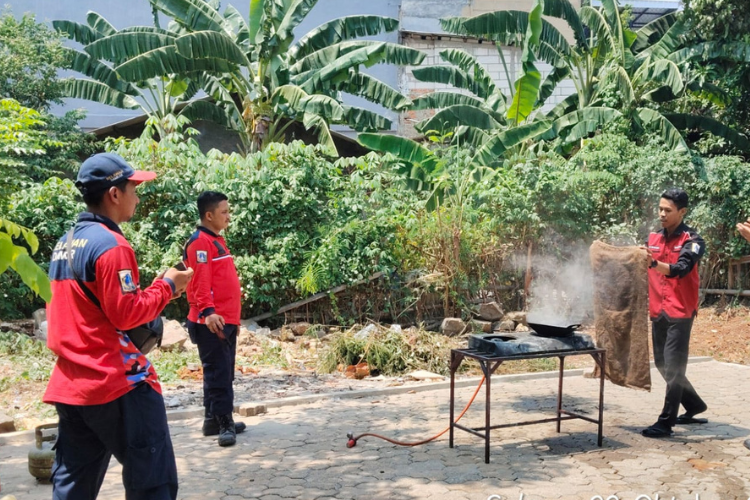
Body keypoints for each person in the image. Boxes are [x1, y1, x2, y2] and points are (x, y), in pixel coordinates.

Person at [44, 152, 194, 499]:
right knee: (153, 481)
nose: (137, 197)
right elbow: (126, 315)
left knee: (72, 486)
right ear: (114, 194)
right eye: (133, 188)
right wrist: (169, 285)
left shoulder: (64, 244)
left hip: (72, 385)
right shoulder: (112, 246)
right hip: (117, 384)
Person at [642, 188, 707, 438]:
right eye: (660, 209)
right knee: (661, 364)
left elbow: (681, 268)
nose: (661, 214)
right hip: (658, 310)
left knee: (674, 367)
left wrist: (654, 264)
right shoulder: (653, 238)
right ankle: (694, 404)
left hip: (680, 312)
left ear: (682, 212)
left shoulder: (694, 241)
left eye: (667, 210)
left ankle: (666, 422)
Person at [183, 191, 245, 447]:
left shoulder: (214, 239)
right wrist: (208, 312)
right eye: (224, 212)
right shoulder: (200, 243)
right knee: (219, 375)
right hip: (212, 322)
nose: (228, 217)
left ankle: (212, 420)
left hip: (226, 320)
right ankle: (224, 424)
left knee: (221, 373)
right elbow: (201, 280)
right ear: (209, 215)